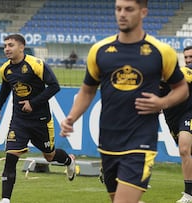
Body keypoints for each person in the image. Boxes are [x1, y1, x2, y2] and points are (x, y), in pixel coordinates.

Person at [60, 0, 189, 202]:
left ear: (143, 12)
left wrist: (161, 103)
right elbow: (87, 91)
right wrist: (71, 117)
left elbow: (181, 89)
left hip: (141, 141)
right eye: (118, 9)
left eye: (129, 9)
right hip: (108, 141)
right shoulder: (100, 50)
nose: (122, 14)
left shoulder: (160, 51)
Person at [0, 34, 76, 203]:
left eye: (11, 45)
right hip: (19, 121)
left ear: (21, 47)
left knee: (49, 156)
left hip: (40, 120)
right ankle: (5, 200)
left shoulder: (36, 64)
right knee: (10, 157)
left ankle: (69, 160)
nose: (7, 48)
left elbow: (54, 86)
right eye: (5, 45)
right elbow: (5, 88)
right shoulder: (5, 69)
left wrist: (33, 103)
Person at [160, 47, 192, 203]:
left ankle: (188, 194)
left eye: (191, 57)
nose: (188, 60)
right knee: (187, 152)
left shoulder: (185, 72)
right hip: (171, 118)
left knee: (184, 148)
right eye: (186, 57)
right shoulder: (155, 81)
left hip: (188, 114)